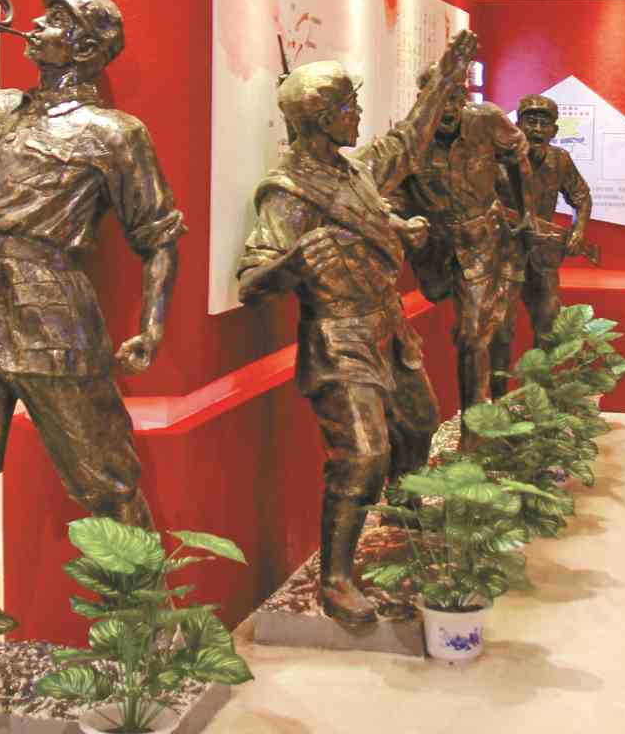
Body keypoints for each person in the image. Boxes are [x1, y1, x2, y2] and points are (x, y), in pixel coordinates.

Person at [0, 0, 184, 573]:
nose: (36, 26)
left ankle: (147, 620)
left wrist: (152, 326)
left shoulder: (115, 132)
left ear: (85, 49)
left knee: (105, 474)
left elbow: (158, 235)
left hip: (48, 306)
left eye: (54, 21)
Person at [236, 33, 479, 622]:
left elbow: (408, 141)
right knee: (364, 455)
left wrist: (446, 81)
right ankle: (336, 579)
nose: (359, 114)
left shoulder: (354, 172)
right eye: (349, 105)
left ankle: (403, 515)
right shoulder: (289, 192)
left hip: (387, 327)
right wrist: (293, 265)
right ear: (321, 119)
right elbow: (251, 281)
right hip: (339, 337)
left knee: (420, 423)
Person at [391, 70, 526, 432]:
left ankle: (474, 428)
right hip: (436, 249)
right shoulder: (406, 141)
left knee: (473, 334)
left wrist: (526, 213)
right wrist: (402, 223)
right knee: (470, 331)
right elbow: (390, 194)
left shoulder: (486, 120)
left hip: (484, 241)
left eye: (455, 98)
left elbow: (517, 157)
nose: (448, 108)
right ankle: (486, 411)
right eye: (439, 99)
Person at [490, 93, 596, 374]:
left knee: (549, 318)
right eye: (531, 121)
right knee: (501, 326)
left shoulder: (560, 160)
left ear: (554, 130)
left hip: (542, 256)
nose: (537, 129)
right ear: (517, 125)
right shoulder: (497, 160)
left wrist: (579, 230)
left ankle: (541, 388)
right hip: (505, 255)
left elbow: (582, 197)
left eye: (544, 123)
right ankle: (497, 393)